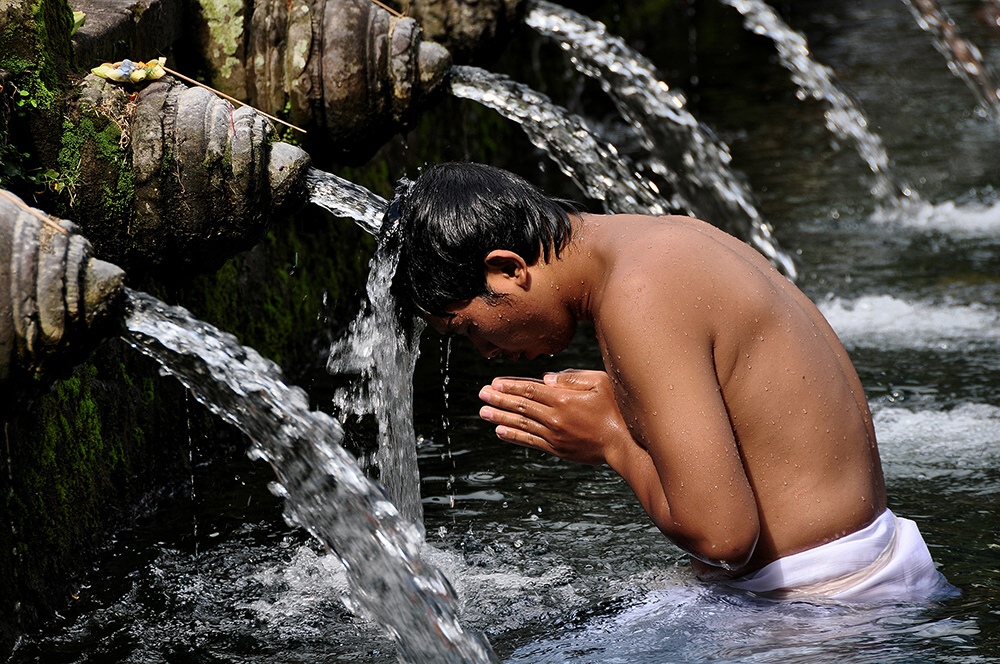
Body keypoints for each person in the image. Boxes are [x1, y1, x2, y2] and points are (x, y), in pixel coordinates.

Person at [389, 161, 951, 602]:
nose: (486, 352)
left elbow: (724, 539)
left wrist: (610, 437)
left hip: (826, 601)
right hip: (869, 559)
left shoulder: (639, 294)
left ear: (509, 268)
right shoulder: (665, 240)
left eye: (467, 328)